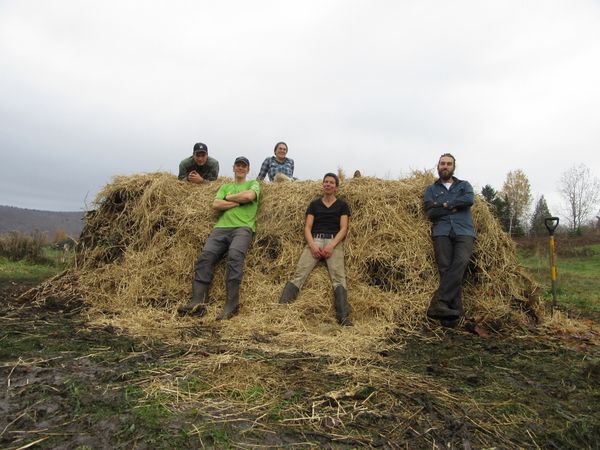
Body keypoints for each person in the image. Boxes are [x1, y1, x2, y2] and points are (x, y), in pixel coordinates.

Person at [177, 156, 260, 320]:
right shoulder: (225, 186)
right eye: (238, 165)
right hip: (220, 228)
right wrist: (236, 202)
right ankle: (197, 302)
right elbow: (216, 204)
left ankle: (232, 304)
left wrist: (228, 198)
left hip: (243, 228)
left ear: (248, 169)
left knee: (235, 256)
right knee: (205, 257)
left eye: (244, 166)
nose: (241, 168)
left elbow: (249, 197)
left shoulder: (253, 184)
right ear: (234, 168)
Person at [278, 173, 352, 326]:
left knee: (339, 278)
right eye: (325, 182)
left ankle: (343, 318)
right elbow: (307, 227)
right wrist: (312, 245)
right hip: (315, 239)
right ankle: (281, 310)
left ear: (336, 187)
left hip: (334, 241)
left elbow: (344, 228)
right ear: (322, 185)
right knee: (299, 274)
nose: (328, 184)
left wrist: (331, 245)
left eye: (331, 182)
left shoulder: (342, 205)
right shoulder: (314, 204)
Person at [423, 153, 476, 326]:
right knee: (445, 269)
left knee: (460, 263)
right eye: (442, 164)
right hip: (442, 231)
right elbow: (430, 212)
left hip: (464, 231)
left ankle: (438, 303)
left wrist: (444, 204)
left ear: (454, 166)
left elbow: (468, 199)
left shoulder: (464, 185)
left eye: (449, 164)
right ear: (437, 166)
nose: (445, 166)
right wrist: (453, 205)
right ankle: (454, 315)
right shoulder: (431, 190)